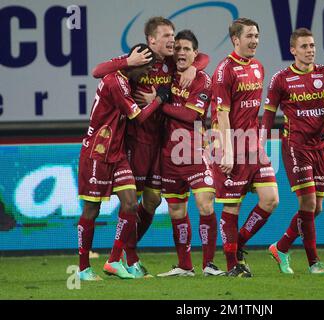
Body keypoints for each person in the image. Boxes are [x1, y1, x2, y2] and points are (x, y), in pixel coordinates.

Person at [91, 17, 209, 275]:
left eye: (173, 35)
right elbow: (98, 70)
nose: (172, 40)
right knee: (130, 201)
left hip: (161, 142)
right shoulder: (138, 58)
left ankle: (126, 254)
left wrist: (193, 69)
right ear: (151, 40)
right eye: (167, 36)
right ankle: (125, 257)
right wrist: (127, 62)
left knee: (153, 201)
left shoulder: (171, 62)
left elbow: (203, 58)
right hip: (134, 141)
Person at [77, 44, 169, 281]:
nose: (146, 75)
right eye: (145, 70)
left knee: (129, 202)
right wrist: (159, 100)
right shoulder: (116, 82)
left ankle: (114, 260)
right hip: (97, 151)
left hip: (116, 153)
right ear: (135, 63)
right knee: (92, 209)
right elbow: (138, 117)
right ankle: (84, 267)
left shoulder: (125, 77)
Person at [261, 28, 324, 274]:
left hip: (319, 146)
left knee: (317, 208)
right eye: (304, 47)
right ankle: (314, 263)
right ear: (293, 50)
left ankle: (281, 247)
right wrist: (259, 144)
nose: (310, 50)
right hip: (294, 147)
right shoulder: (281, 79)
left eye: (312, 46)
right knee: (308, 202)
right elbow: (268, 116)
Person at [142, 30, 225, 277]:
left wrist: (157, 102)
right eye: (177, 48)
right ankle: (184, 265)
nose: (180, 52)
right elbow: (199, 56)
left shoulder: (202, 80)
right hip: (167, 153)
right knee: (176, 211)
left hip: (193, 151)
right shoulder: (167, 70)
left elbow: (191, 115)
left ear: (194, 53)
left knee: (205, 204)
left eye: (186, 49)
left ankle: (209, 264)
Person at [210, 18, 279, 277]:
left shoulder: (259, 67)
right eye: (249, 36)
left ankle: (238, 243)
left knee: (270, 199)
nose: (255, 41)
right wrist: (226, 151)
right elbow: (222, 114)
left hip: (253, 146)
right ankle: (232, 267)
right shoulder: (224, 70)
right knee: (232, 207)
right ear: (235, 39)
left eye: (257, 36)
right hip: (232, 144)